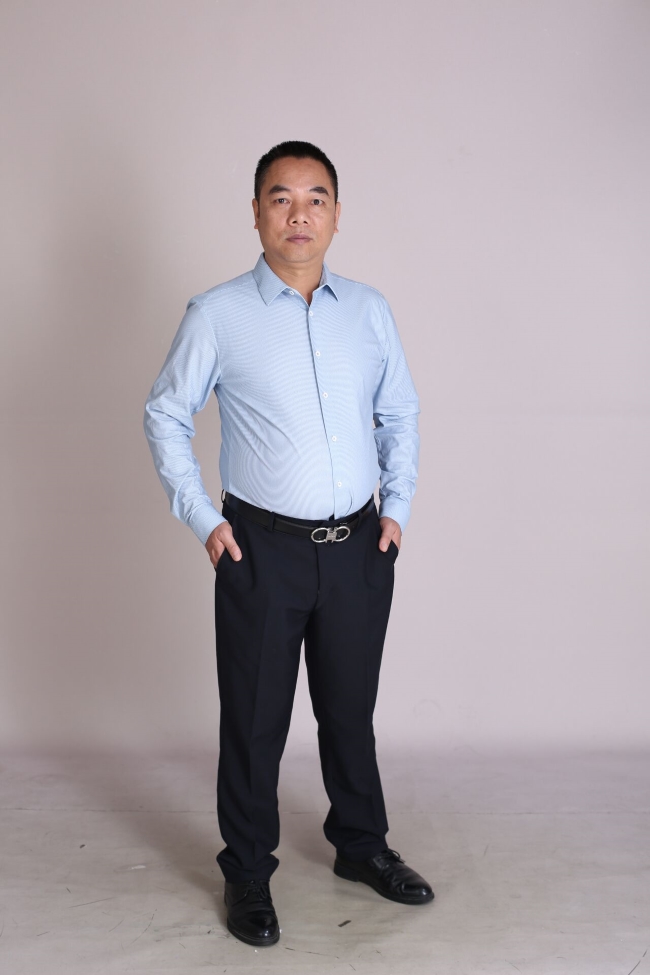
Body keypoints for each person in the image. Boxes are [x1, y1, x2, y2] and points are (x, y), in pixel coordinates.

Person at [143, 140, 433, 948]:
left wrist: (398, 509)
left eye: (315, 198)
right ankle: (246, 870)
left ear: (336, 214)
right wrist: (204, 519)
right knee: (255, 718)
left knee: (349, 711)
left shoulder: (368, 310)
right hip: (259, 552)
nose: (298, 214)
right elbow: (165, 412)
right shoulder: (217, 313)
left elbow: (399, 412)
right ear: (256, 213)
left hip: (358, 549)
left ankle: (362, 846)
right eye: (281, 198)